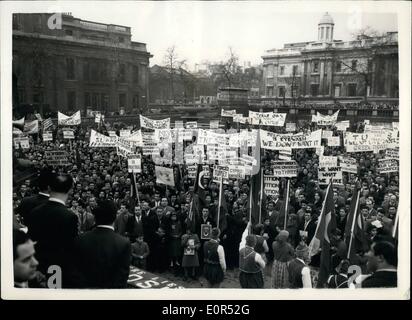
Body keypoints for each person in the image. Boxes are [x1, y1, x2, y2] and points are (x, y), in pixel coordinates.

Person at [28, 173, 78, 287]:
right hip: (58, 273)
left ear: (49, 188)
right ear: (70, 190)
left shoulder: (34, 212)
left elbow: (30, 244)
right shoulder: (69, 217)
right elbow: (69, 250)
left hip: (36, 271)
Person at [73, 200, 131, 288]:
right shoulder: (123, 243)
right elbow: (121, 279)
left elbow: (76, 273)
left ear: (95, 218)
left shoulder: (81, 239)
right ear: (114, 217)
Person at [238, 221, 266, 288]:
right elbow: (263, 265)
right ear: (254, 243)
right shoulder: (256, 255)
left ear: (246, 242)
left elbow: (243, 237)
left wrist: (247, 227)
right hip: (254, 277)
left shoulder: (241, 248)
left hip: (243, 275)